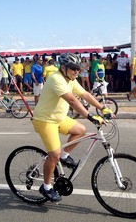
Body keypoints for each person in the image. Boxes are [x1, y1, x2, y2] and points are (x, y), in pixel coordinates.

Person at [31, 53, 112, 202]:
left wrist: (102, 108)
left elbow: (85, 94)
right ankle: (46, 187)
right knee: (53, 154)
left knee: (80, 130)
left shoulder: (71, 79)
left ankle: (64, 156)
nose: (76, 71)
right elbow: (72, 100)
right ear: (63, 68)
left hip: (59, 118)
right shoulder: (57, 79)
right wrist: (91, 116)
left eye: (78, 68)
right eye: (73, 68)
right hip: (45, 120)